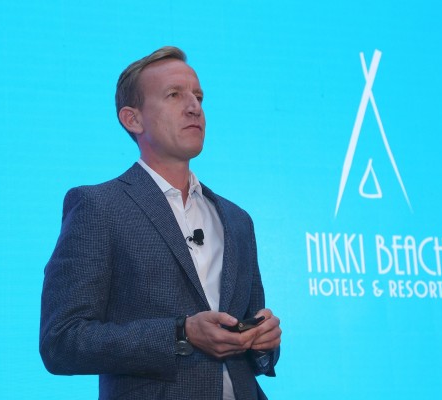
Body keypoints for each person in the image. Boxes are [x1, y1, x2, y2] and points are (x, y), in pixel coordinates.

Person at [40, 46, 282, 400]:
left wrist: (263, 341)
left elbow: (253, 338)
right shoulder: (99, 206)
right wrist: (181, 334)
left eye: (198, 96)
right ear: (132, 119)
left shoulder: (237, 219)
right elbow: (62, 341)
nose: (194, 107)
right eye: (174, 95)